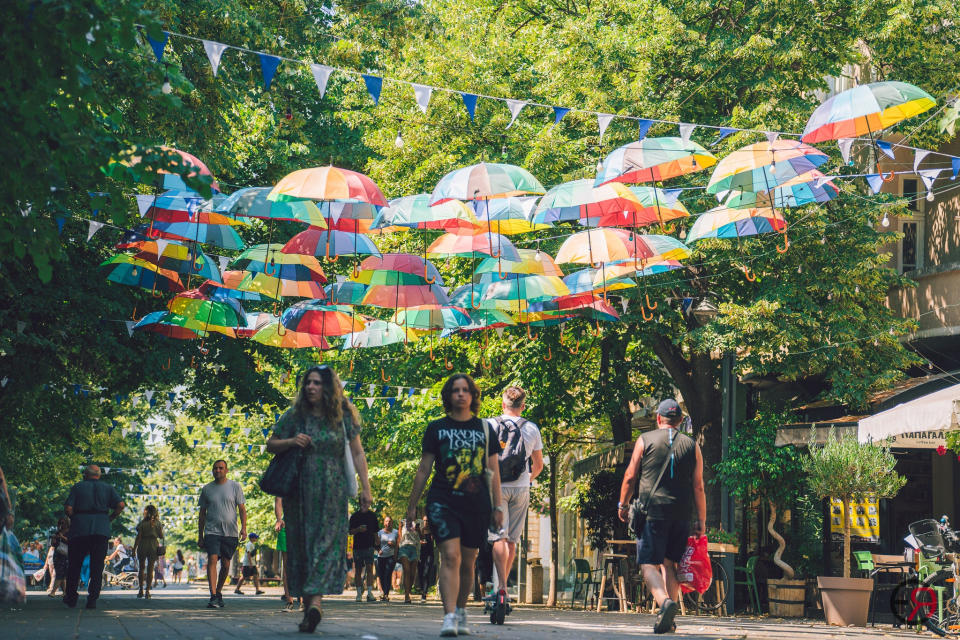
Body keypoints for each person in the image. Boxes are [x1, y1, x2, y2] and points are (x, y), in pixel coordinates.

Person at [266, 364, 373, 634]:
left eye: (317, 383)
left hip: (333, 491)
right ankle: (309, 605)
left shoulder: (342, 416)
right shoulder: (295, 415)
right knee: (302, 546)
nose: (311, 387)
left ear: (328, 388)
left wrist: (366, 488)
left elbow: (357, 453)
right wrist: (291, 441)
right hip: (299, 491)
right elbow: (271, 444)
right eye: (308, 383)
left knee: (326, 544)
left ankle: (314, 604)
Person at [406, 373, 504, 637]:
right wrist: (412, 506)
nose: (461, 394)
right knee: (451, 555)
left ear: (473, 396)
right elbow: (424, 468)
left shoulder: (485, 429)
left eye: (465, 390)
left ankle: (460, 610)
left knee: (468, 561)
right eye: (455, 390)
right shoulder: (436, 428)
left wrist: (498, 507)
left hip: (476, 503)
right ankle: (449, 616)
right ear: (448, 396)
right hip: (443, 500)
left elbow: (493, 470)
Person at [618, 399, 706, 635]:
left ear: (658, 418)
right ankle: (671, 621)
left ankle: (665, 603)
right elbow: (698, 486)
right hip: (682, 514)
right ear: (680, 421)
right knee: (670, 565)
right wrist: (701, 520)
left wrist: (622, 504)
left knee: (648, 564)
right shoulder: (693, 445)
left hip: (653, 513)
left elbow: (630, 476)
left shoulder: (645, 440)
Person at [488, 386, 544, 602]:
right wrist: (527, 481)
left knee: (498, 537)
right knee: (511, 540)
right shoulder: (532, 428)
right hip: (521, 488)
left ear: (503, 404)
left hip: (496, 487)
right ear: (523, 406)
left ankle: (499, 587)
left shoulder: (490, 424)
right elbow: (538, 466)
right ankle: (504, 587)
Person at [63, 465, 125, 609]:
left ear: (85, 474)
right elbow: (120, 505)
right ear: (99, 475)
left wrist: (76, 518)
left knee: (74, 565)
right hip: (101, 530)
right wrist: (110, 518)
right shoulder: (108, 488)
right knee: (97, 567)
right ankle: (92, 600)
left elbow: (68, 508)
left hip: (79, 530)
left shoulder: (78, 487)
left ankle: (71, 598)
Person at [198, 459, 247, 609]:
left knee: (225, 565)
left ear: (226, 470)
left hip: (230, 532)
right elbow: (202, 514)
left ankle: (218, 592)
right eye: (215, 468)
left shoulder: (235, 486)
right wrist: (200, 535)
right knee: (212, 559)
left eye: (220, 468)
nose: (217, 470)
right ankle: (213, 596)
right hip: (212, 531)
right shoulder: (206, 489)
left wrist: (244, 528)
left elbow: (242, 509)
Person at [348, 504, 379, 603]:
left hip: (370, 545)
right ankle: (358, 594)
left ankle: (369, 593)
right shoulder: (355, 516)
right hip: (358, 546)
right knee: (358, 570)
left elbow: (375, 532)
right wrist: (358, 529)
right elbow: (350, 532)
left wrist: (378, 543)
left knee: (370, 568)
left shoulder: (372, 516)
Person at [132, 505, 164, 600]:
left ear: (146, 512)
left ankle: (140, 590)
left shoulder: (141, 523)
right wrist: (160, 529)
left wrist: (134, 549)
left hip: (143, 544)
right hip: (153, 545)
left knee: (141, 568)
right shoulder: (158, 523)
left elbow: (138, 537)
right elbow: (161, 536)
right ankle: (147, 592)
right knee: (150, 569)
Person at [275, 497, 296, 612]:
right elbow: (278, 503)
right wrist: (279, 519)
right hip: (286, 527)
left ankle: (304, 602)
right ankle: (289, 602)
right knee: (287, 566)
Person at [397, 520, 420, 604]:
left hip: (415, 549)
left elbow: (422, 536)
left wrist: (419, 530)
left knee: (412, 574)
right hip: (403, 548)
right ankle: (407, 596)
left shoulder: (419, 522)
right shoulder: (402, 522)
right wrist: (396, 551)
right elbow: (399, 537)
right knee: (407, 570)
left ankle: (408, 592)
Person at [376, 516, 398, 601]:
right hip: (381, 556)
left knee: (388, 574)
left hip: (391, 556)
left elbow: (398, 544)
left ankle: (386, 594)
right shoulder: (380, 532)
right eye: (386, 521)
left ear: (392, 523)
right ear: (384, 523)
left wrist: (393, 545)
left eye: (389, 521)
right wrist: (378, 550)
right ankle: (383, 592)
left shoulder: (396, 532)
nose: (388, 523)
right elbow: (376, 543)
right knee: (381, 574)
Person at [48, 517, 70, 596]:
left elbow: (71, 541)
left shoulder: (70, 532)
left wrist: (62, 537)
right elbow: (53, 545)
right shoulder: (58, 532)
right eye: (61, 523)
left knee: (60, 574)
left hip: (66, 555)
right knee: (61, 574)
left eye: (63, 523)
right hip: (58, 555)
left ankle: (53, 591)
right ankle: (65, 592)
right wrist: (54, 539)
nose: (62, 525)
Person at [418, 516, 435, 603]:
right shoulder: (418, 531)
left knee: (426, 573)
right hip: (420, 554)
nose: (425, 522)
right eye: (424, 520)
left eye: (427, 520)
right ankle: (422, 590)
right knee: (421, 574)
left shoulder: (432, 531)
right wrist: (420, 542)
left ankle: (424, 594)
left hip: (429, 554)